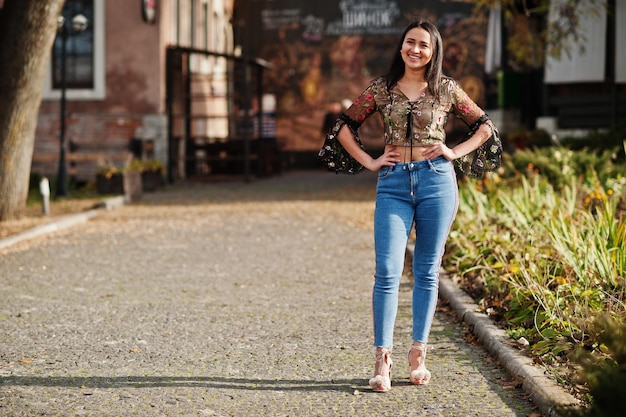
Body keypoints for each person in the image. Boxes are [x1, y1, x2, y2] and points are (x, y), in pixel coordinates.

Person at [330, 19, 496, 392]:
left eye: (423, 45)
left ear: (433, 51)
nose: (415, 49)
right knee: (387, 272)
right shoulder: (382, 89)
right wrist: (370, 161)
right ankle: (382, 358)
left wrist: (453, 152)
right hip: (392, 184)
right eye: (410, 42)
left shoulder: (446, 89)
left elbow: (484, 125)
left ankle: (418, 353)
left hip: (437, 181)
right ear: (401, 46)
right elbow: (343, 125)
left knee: (427, 271)